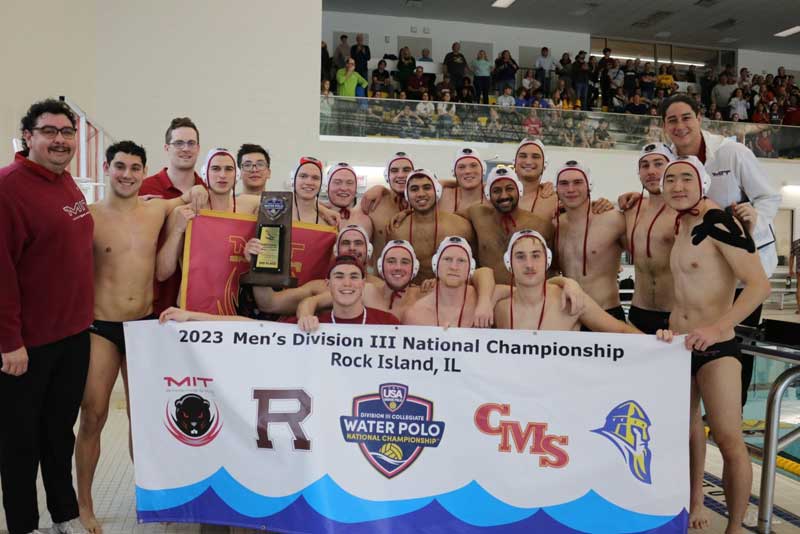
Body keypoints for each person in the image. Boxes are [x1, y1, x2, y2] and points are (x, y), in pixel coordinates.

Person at [75, 141, 207, 534]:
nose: (127, 175)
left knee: (145, 420)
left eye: (135, 167)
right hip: (101, 327)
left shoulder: (156, 208)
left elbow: (196, 193)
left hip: (143, 325)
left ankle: (152, 495)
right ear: (106, 168)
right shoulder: (91, 216)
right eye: (120, 167)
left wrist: (197, 193)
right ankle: (84, 502)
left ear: (144, 170)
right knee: (94, 416)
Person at [621, 94, 781, 398]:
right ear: (664, 125)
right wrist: (637, 196)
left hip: (739, 257)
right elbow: (664, 189)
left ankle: (734, 409)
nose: (680, 126)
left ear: (700, 118)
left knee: (732, 346)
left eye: (686, 118)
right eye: (672, 120)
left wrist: (754, 219)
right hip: (702, 263)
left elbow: (769, 197)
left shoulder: (732, 152)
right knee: (690, 363)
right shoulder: (670, 157)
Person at [659, 156, 770, 532]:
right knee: (688, 433)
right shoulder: (682, 222)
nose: (677, 186)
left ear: (702, 183)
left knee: (728, 439)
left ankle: (735, 527)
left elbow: (758, 285)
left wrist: (717, 327)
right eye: (670, 179)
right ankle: (694, 505)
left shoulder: (719, 221)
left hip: (716, 347)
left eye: (685, 179)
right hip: (679, 348)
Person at [0, 99, 94, 534]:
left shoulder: (63, 181)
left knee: (59, 433)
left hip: (73, 334)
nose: (60, 139)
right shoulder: (8, 188)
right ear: (29, 136)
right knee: (20, 442)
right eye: (49, 131)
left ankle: (64, 514)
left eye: (67, 132)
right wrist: (8, 341)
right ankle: (23, 524)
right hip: (27, 343)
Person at [161, 256, 401, 331]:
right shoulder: (312, 324)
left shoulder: (388, 324)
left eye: (354, 277)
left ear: (363, 284)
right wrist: (191, 316)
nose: (346, 283)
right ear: (328, 284)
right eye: (339, 277)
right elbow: (251, 327)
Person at [494, 230, 640, 333]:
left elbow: (621, 331)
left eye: (536, 255)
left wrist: (659, 345)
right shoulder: (498, 308)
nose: (529, 265)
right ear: (509, 262)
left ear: (547, 260)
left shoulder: (571, 300)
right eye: (520, 256)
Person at [139, 117, 205, 315]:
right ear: (167, 148)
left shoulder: (208, 192)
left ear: (198, 148)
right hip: (150, 301)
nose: (185, 148)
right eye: (179, 143)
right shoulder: (144, 188)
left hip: (192, 304)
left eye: (191, 143)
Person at [553, 160, 627, 324]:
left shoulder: (614, 220)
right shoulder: (555, 225)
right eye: (564, 183)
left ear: (589, 186)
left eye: (577, 182)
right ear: (556, 189)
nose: (571, 189)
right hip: (570, 317)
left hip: (607, 313)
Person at [462, 167, 553, 284]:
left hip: (524, 296)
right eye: (496, 191)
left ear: (519, 190)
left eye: (509, 189)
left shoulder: (541, 226)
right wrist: (445, 183)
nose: (504, 196)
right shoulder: (477, 215)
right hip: (490, 295)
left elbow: (553, 269)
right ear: (488, 194)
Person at [624, 143, 676, 334]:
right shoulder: (631, 209)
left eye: (658, 164)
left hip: (676, 314)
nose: (651, 171)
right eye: (645, 165)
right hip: (638, 313)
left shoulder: (687, 212)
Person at [387, 169, 474, 283]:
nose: (421, 194)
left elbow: (474, 268)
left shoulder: (461, 226)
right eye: (414, 189)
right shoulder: (397, 230)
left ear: (437, 191)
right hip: (413, 295)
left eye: (427, 187)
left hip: (451, 294)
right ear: (407, 195)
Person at [403, 237, 480, 327]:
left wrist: (485, 301)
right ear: (435, 264)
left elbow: (489, 277)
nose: (454, 267)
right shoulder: (414, 315)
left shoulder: (483, 299)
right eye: (447, 259)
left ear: (471, 267)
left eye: (461, 260)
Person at [321, 162, 373, 234]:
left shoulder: (366, 221)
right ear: (327, 187)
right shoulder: (315, 215)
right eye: (337, 182)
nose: (344, 188)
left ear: (356, 189)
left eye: (349, 183)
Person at [439, 147, 486, 213]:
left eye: (473, 165)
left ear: (483, 170)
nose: (467, 171)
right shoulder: (443, 196)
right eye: (461, 167)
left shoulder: (492, 196)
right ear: (454, 172)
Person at [791, 237, 800, 314]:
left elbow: (791, 257)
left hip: (799, 270)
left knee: (799, 289)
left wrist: (790, 269)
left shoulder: (795, 243)